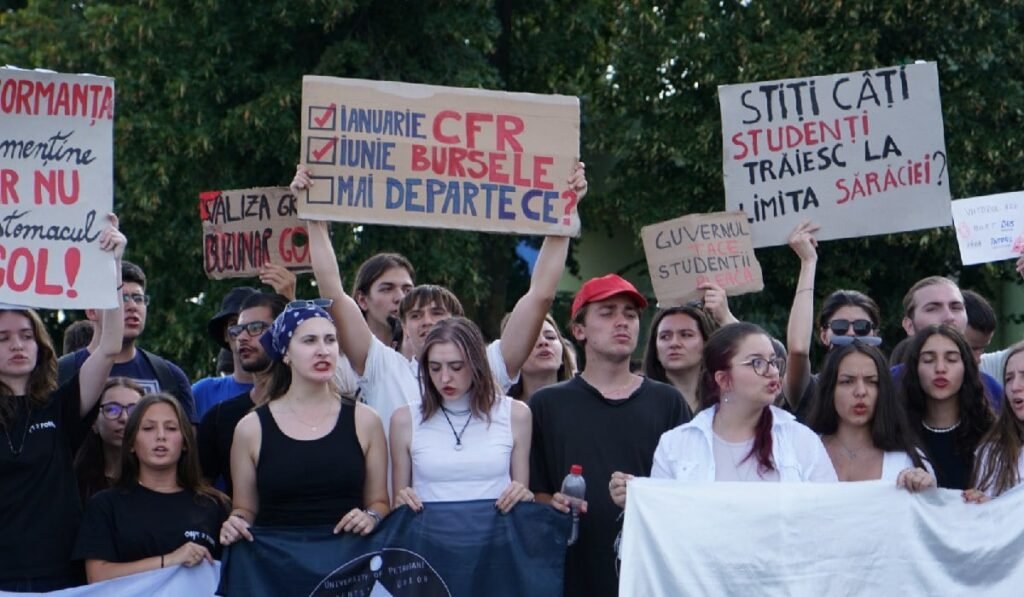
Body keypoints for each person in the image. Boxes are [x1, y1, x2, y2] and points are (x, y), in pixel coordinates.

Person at [300, 161, 588, 438]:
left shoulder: (487, 366)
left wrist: (564, 211)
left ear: (457, 321)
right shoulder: (383, 368)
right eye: (415, 316)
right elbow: (333, 293)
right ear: (404, 326)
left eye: (437, 313)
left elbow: (540, 296)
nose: (427, 321)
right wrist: (314, 214)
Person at [530, 274, 688, 597]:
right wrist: (553, 504)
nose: (622, 322)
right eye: (607, 312)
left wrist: (645, 495)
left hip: (650, 576)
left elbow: (690, 493)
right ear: (579, 330)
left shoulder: (669, 402)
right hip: (570, 574)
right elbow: (533, 491)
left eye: (630, 315)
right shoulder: (547, 404)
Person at [0, 216, 125, 592]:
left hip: (59, 573)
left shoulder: (61, 404)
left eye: (26, 335)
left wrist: (113, 264)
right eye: (3, 338)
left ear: (40, 344)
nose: (18, 345)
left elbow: (110, 346)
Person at [219, 300, 389, 546]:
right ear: (286, 353)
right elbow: (245, 509)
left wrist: (371, 517)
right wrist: (235, 523)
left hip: (350, 561)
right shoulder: (250, 428)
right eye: (310, 341)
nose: (323, 350)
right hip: (279, 562)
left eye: (330, 340)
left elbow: (379, 502)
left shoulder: (366, 420)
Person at [614, 322, 835, 493]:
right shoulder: (676, 444)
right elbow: (663, 520)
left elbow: (829, 513)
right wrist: (638, 496)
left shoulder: (801, 440)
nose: (772, 371)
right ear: (723, 379)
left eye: (774, 361)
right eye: (757, 362)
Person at [72, 394, 229, 582]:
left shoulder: (215, 504)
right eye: (148, 428)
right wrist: (169, 560)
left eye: (171, 428)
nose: (161, 436)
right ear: (131, 443)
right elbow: (97, 575)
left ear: (185, 442)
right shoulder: (105, 504)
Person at [390, 317, 532, 512]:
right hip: (430, 528)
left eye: (456, 367)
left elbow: (522, 497)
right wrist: (402, 501)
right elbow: (398, 507)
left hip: (496, 528)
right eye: (435, 368)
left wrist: (524, 496)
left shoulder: (516, 415)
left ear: (476, 364)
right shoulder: (404, 420)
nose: (445, 378)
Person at [58, 260, 198, 423]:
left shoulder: (171, 377)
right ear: (91, 311)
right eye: (121, 298)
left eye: (138, 298)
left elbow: (187, 438)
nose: (132, 306)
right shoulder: (62, 372)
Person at [783, 221, 883, 419]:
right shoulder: (811, 389)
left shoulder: (891, 386)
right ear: (824, 335)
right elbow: (798, 350)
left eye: (862, 327)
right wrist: (808, 262)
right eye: (840, 326)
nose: (851, 333)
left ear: (874, 333)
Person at [806, 341, 934, 490]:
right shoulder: (803, 451)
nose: (861, 391)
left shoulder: (906, 460)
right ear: (830, 389)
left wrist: (925, 486)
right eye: (847, 381)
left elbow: (931, 503)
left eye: (871, 382)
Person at [197, 292, 288, 494]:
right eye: (237, 330)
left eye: (255, 328)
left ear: (283, 332)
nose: (242, 338)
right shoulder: (219, 419)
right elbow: (199, 491)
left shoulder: (318, 409)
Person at [898, 325, 994, 489]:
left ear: (966, 367)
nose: (940, 369)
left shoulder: (991, 434)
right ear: (915, 368)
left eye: (951, 359)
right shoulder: (897, 434)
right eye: (929, 360)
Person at [899, 276, 1002, 409]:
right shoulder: (887, 386)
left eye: (956, 308)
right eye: (932, 308)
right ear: (909, 325)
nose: (949, 317)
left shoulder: (991, 392)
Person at [965, 343, 1024, 501]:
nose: (1015, 387)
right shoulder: (991, 453)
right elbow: (985, 513)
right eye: (1009, 379)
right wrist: (988, 505)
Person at [73, 377, 146, 502]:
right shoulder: (73, 480)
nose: (124, 418)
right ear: (94, 422)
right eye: (112, 409)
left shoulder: (161, 478)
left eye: (134, 410)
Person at [641, 303, 718, 414]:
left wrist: (726, 317)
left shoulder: (724, 401)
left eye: (686, 335)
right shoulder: (640, 402)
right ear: (655, 348)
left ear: (706, 343)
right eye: (665, 337)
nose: (674, 343)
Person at [351, 252, 415, 355]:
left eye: (407, 290)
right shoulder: (339, 356)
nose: (401, 298)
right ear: (362, 300)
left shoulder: (428, 356)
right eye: (387, 289)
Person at [504, 313, 577, 402]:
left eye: (550, 337)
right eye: (531, 339)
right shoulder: (500, 408)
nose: (543, 342)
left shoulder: (583, 402)